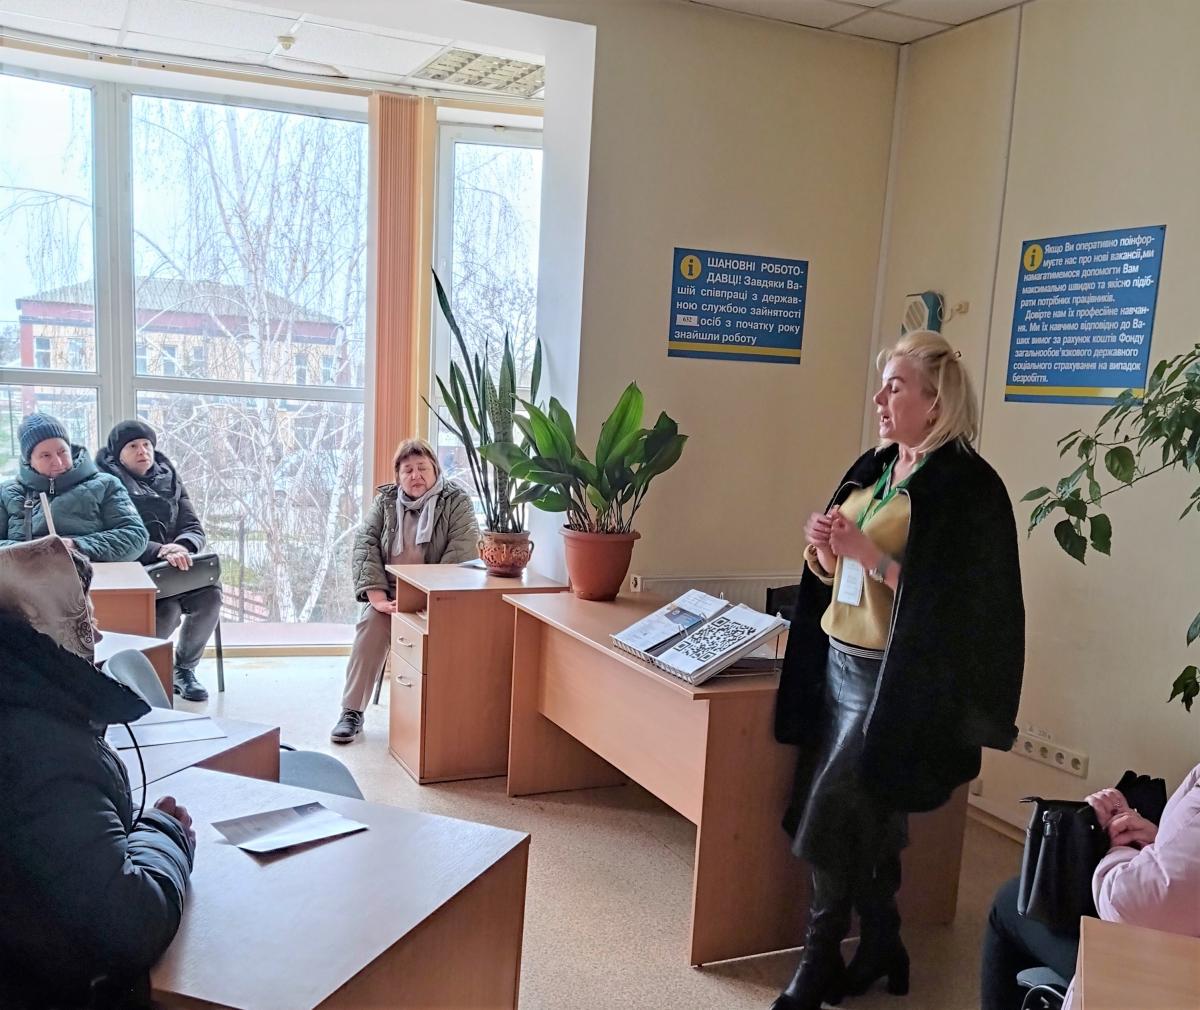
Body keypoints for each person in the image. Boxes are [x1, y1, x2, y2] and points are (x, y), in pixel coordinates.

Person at [771, 330, 1025, 1009]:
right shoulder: (878, 466)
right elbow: (840, 577)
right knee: (868, 817)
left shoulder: (965, 488)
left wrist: (867, 555)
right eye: (883, 386)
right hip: (838, 666)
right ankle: (883, 940)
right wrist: (825, 551)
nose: (880, 400)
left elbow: (956, 606)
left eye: (895, 387)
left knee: (830, 819)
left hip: (894, 684)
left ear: (935, 401)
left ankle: (819, 957)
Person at [0, 537, 195, 1010]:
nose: (99, 636)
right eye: (86, 618)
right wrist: (165, 831)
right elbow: (131, 924)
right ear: (52, 629)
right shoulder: (44, 753)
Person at [981, 766, 1200, 1010]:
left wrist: (1118, 849)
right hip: (1179, 944)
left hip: (1169, 974)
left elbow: (1129, 902)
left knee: (1009, 904)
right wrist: (1156, 841)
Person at [330, 438, 481, 743]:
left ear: (435, 470)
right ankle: (351, 712)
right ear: (398, 477)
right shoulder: (385, 502)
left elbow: (461, 554)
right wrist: (376, 597)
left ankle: (443, 717)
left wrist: (421, 599)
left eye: (422, 468)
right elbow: (365, 545)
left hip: (437, 598)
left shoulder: (457, 502)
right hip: (389, 595)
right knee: (370, 626)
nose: (416, 475)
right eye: (407, 470)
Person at [96, 420, 220, 702]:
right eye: (133, 446)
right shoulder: (105, 484)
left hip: (178, 566)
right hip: (137, 570)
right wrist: (160, 550)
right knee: (168, 611)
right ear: (118, 454)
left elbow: (194, 527)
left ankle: (184, 670)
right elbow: (114, 535)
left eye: (146, 444)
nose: (143, 451)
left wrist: (182, 546)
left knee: (211, 596)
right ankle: (142, 675)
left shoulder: (170, 478)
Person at [1, 412, 148, 562]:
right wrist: (31, 551)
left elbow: (135, 536)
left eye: (62, 452)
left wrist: (77, 545)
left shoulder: (106, 484)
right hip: (24, 574)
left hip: (91, 572)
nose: (58, 462)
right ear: (29, 461)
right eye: (45, 456)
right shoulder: (7, 492)